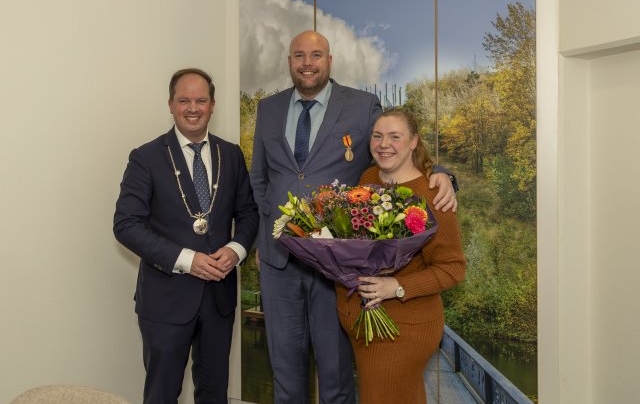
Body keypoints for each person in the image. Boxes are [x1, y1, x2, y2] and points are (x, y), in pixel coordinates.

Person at [250, 30, 457, 404]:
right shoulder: (269, 108)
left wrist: (442, 171)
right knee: (284, 373)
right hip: (279, 263)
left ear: (329, 61)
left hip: (337, 271)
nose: (307, 63)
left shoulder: (363, 106)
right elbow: (260, 178)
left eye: (316, 55)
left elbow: (397, 144)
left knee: (336, 376)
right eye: (299, 56)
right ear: (289, 62)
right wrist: (265, 236)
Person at [113, 68, 259, 404]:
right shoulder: (146, 158)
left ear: (212, 105)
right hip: (166, 300)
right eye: (184, 100)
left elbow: (248, 213)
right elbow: (126, 224)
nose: (192, 108)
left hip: (219, 300)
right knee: (162, 395)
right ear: (171, 104)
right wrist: (187, 260)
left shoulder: (231, 154)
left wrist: (236, 249)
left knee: (214, 394)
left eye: (201, 100)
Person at [335, 107, 466, 403]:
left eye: (395, 137)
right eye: (378, 136)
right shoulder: (368, 178)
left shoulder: (434, 196)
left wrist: (396, 287)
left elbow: (453, 268)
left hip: (402, 328)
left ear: (413, 142)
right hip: (366, 321)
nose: (384, 144)